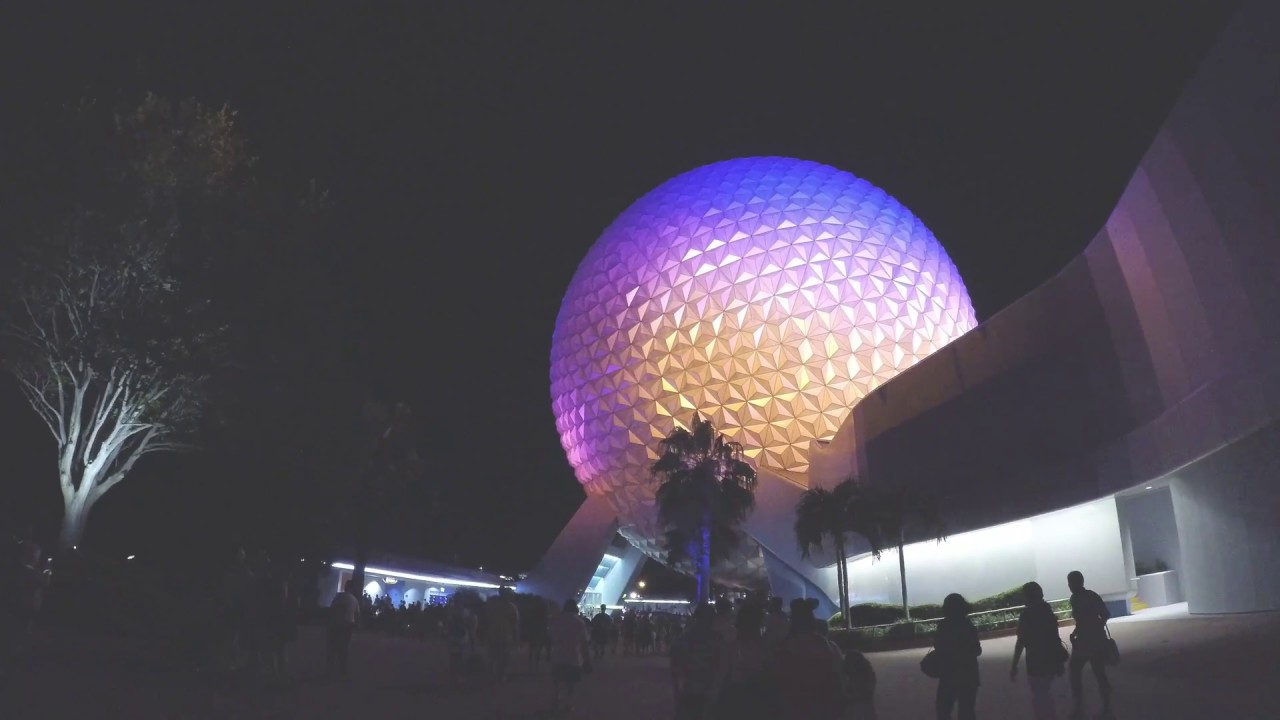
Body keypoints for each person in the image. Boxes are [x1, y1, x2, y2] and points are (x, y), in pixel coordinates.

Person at [773, 598, 845, 720]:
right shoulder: (825, 644)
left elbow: (781, 680)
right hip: (824, 703)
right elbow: (838, 672)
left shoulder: (785, 646)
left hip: (798, 705)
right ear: (811, 618)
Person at [710, 601, 778, 719]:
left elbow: (721, 677)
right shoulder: (766, 649)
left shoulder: (731, 648)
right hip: (760, 702)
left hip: (736, 701)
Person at [1011, 581, 1066, 719]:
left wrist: (1014, 665)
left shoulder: (1027, 615)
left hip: (1035, 659)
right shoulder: (1048, 611)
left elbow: (1021, 641)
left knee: (1039, 695)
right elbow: (1055, 637)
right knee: (1045, 693)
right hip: (1051, 657)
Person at [1066, 571, 1113, 719]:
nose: (1070, 586)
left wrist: (1089, 628)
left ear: (1077, 582)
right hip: (1092, 639)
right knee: (1098, 672)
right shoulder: (1089, 596)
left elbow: (1101, 615)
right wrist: (1094, 627)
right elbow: (1104, 614)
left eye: (1071, 582)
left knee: (1077, 671)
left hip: (1088, 640)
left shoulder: (1078, 598)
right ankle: (1105, 707)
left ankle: (1081, 707)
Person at [669, 603, 726, 720]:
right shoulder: (717, 639)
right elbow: (722, 666)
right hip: (706, 692)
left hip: (692, 690)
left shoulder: (684, 639)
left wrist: (678, 692)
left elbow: (676, 669)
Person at [933, 593, 981, 720]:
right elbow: (977, 650)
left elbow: (938, 647)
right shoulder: (968, 625)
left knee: (943, 709)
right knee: (967, 710)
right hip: (969, 674)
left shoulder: (943, 626)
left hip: (948, 674)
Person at [549, 599, 592, 714]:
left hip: (557, 655)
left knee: (557, 680)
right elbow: (584, 642)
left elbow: (551, 637)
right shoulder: (579, 622)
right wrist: (587, 659)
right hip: (573, 656)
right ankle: (569, 703)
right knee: (571, 683)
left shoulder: (556, 620)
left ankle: (556, 698)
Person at [482, 587, 520, 682]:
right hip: (506, 635)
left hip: (493, 634)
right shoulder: (511, 607)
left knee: (493, 656)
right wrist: (516, 637)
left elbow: (485, 619)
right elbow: (514, 623)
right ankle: (501, 675)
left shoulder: (491, 605)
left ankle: (491, 674)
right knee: (504, 657)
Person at [327, 580, 360, 678]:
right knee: (344, 648)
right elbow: (357, 615)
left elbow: (332, 608)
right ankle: (342, 670)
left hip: (335, 623)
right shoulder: (354, 599)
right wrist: (358, 625)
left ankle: (330, 669)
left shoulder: (338, 596)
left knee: (332, 647)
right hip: (347, 625)